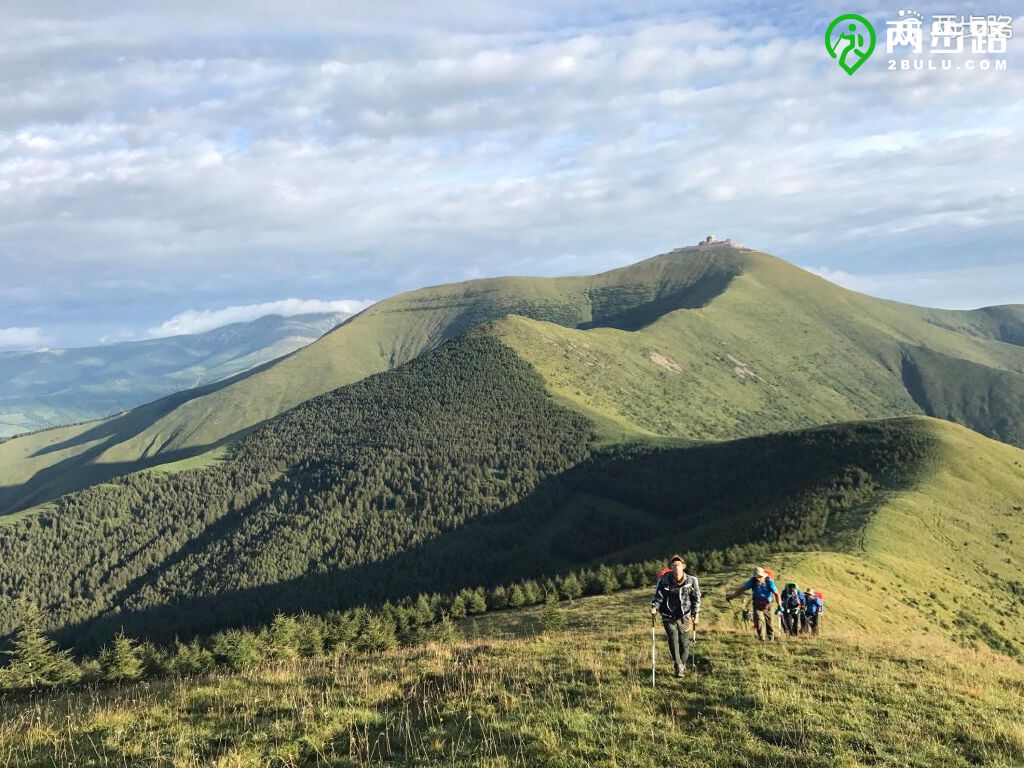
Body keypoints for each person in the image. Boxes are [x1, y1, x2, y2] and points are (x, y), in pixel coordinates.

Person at [650, 555, 701, 677]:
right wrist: (654, 607)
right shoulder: (664, 581)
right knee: (673, 638)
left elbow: (696, 598)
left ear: (683, 566)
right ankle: (678, 666)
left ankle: (681, 664)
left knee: (684, 643)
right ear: (670, 568)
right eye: (673, 565)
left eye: (678, 564)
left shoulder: (692, 581)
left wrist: (696, 613)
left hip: (685, 616)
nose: (676, 567)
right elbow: (658, 596)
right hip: (668, 615)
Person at [725, 567, 781, 641]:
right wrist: (732, 596)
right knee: (759, 621)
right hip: (757, 604)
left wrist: (779, 605)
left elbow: (776, 593)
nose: (758, 578)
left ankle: (771, 639)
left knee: (769, 622)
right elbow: (742, 589)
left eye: (759, 577)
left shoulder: (769, 582)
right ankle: (762, 640)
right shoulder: (752, 581)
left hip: (768, 605)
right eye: (756, 577)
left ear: (763, 576)